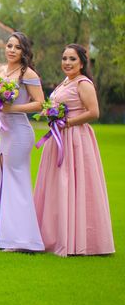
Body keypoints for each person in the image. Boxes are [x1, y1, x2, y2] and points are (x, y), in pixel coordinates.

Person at [33, 44, 114, 257]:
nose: (67, 63)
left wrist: (67, 123)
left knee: (75, 183)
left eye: (72, 59)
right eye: (64, 58)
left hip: (76, 139)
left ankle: (81, 239)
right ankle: (57, 235)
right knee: (58, 185)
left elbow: (94, 112)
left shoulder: (83, 83)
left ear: (81, 63)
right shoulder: (64, 82)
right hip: (59, 138)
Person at [0, 33, 44, 252]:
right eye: (9, 46)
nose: (12, 50)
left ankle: (24, 240)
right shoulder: (1, 71)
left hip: (20, 131)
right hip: (5, 131)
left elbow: (40, 103)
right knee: (5, 179)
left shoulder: (28, 73)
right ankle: (5, 236)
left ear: (24, 51)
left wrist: (15, 108)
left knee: (17, 179)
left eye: (17, 47)